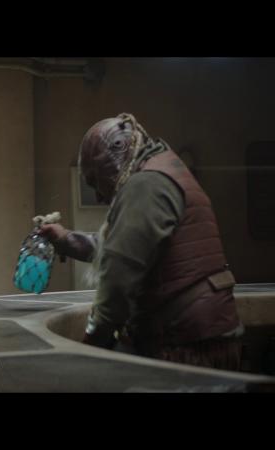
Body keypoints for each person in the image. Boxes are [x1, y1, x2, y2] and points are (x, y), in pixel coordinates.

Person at [39, 113, 242, 371]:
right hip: (202, 335)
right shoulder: (164, 169)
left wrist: (89, 346)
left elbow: (117, 282)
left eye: (95, 182)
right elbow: (128, 247)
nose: (99, 196)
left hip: (186, 345)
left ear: (112, 165)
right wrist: (66, 239)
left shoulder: (145, 184)